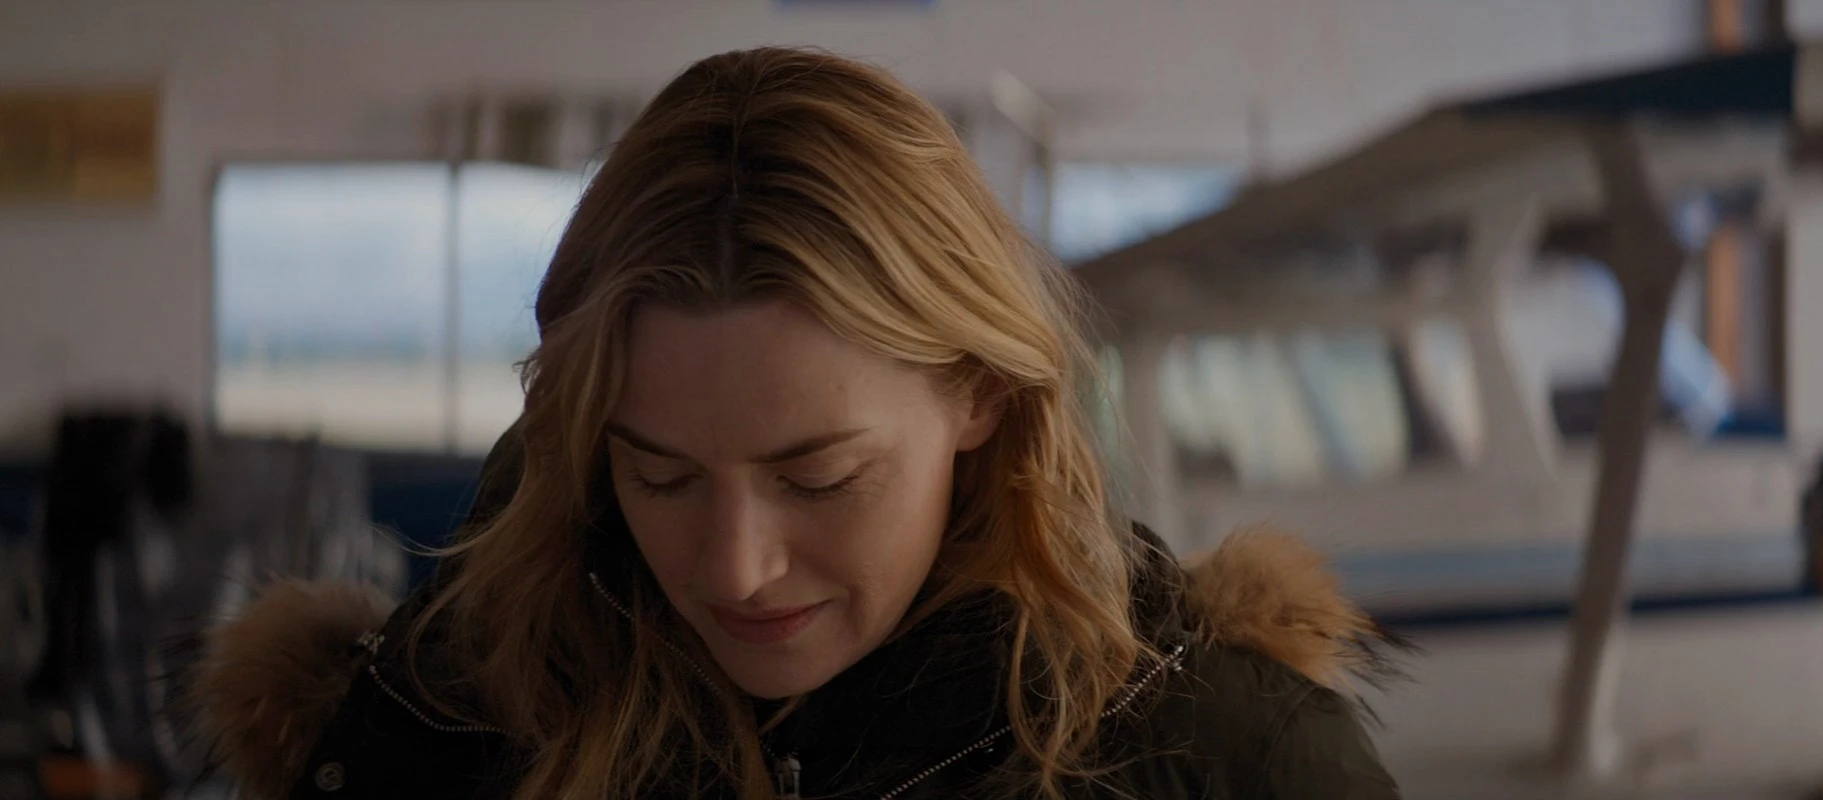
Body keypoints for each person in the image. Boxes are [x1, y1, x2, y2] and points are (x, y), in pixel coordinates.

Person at [190, 46, 1401, 799]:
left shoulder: (1228, 759)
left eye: (817, 477)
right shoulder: (433, 729)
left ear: (981, 394)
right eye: (659, 476)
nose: (733, 568)